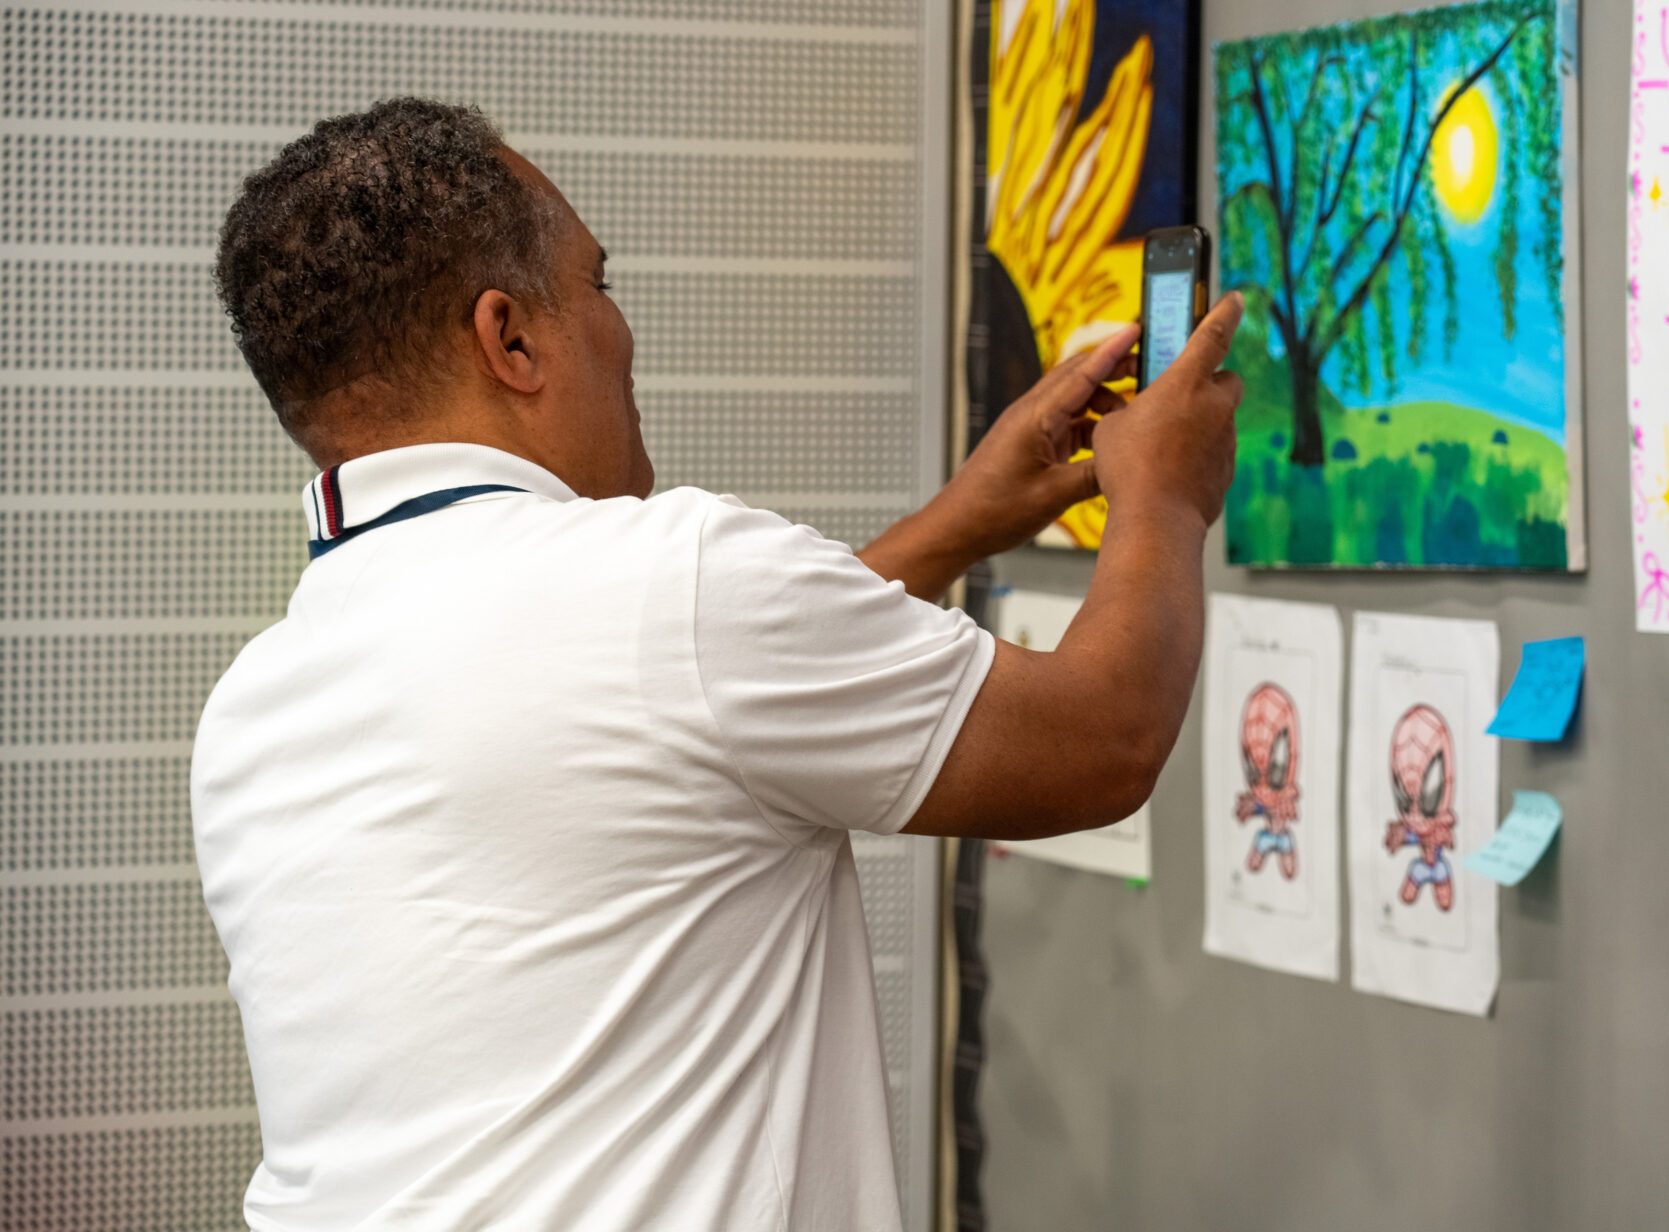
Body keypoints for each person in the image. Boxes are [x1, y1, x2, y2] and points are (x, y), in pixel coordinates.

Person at [193, 97, 1242, 1231]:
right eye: (600, 283)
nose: (619, 329)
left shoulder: (254, 707)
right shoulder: (672, 585)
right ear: (510, 338)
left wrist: (962, 521)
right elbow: (1100, 739)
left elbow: (675, 724)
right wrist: (1166, 495)